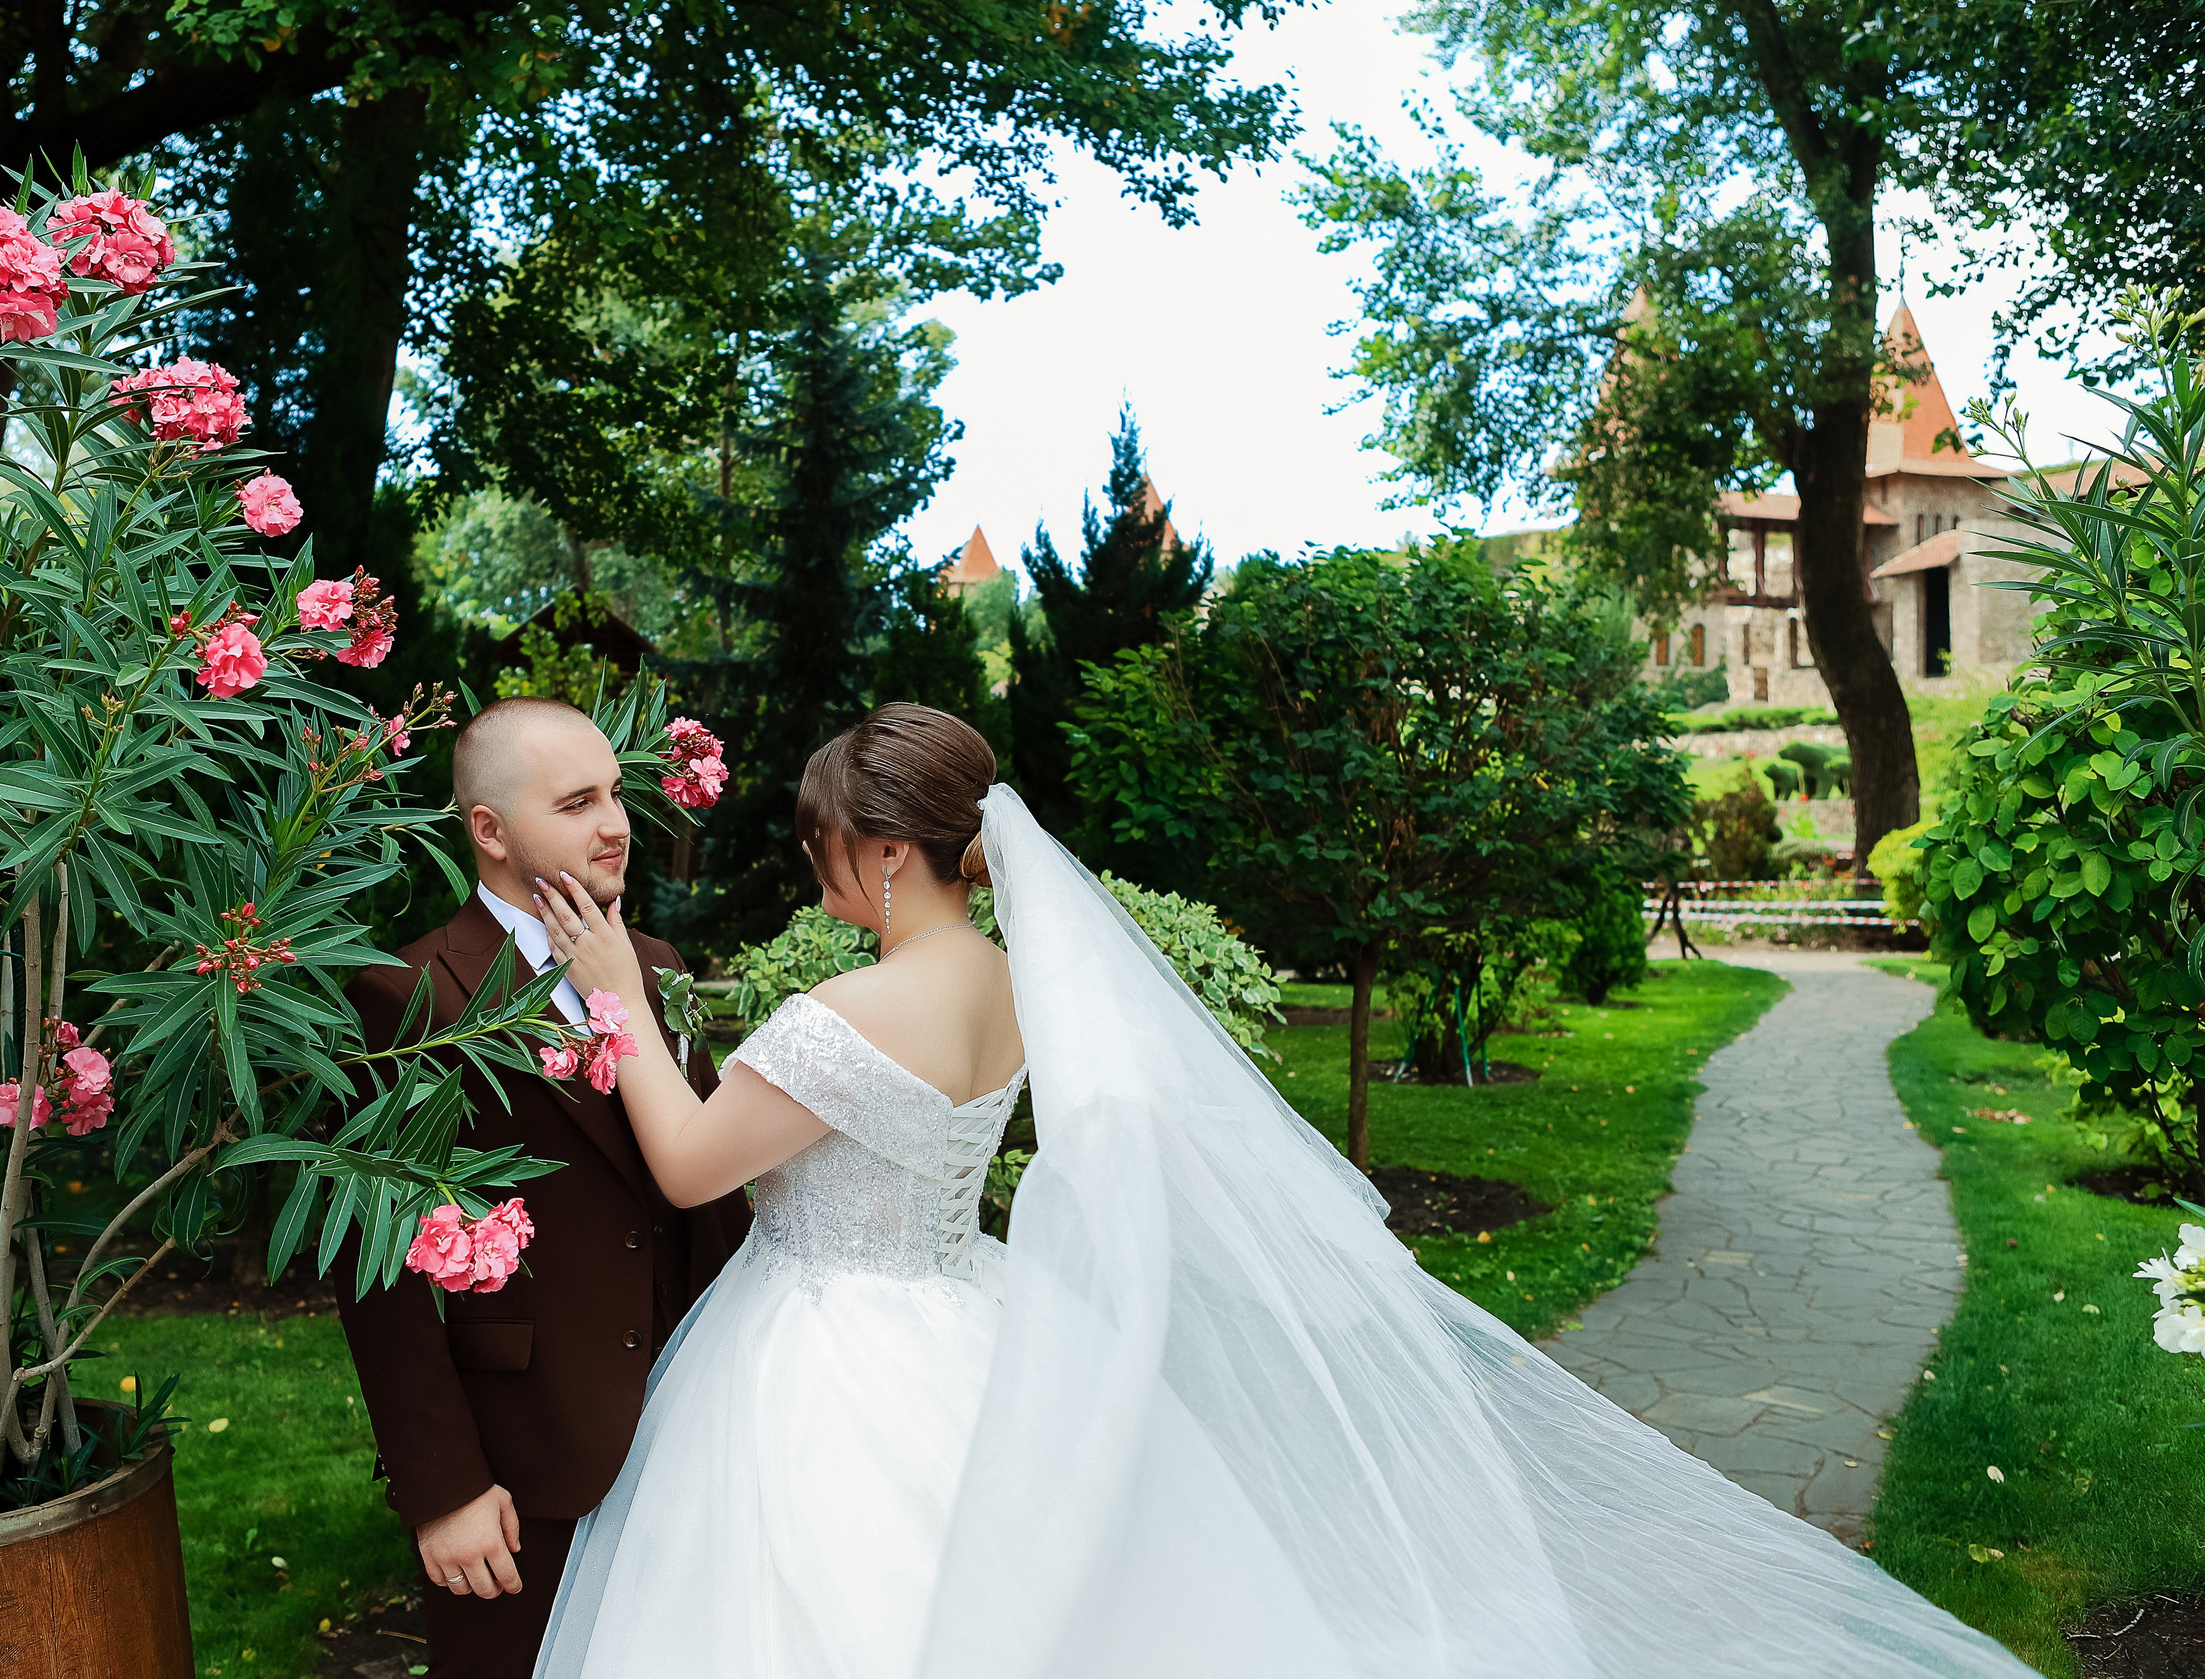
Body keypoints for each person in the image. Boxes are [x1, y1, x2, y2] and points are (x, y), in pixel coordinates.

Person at [523, 701, 2037, 1679]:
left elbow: (687, 1157)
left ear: (891, 850)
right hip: (969, 1322)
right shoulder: (1010, 982)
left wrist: (619, 997)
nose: (815, 871)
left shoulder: (840, 1018)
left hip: (827, 1364)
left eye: (824, 844)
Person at [333, 695, 751, 1679]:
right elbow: (374, 1267)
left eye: (615, 794)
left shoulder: (655, 966)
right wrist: (443, 1488)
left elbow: (707, 1204)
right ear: (489, 830)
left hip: (689, 1426)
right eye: (576, 803)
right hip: (523, 1458)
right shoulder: (407, 993)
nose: (615, 824)